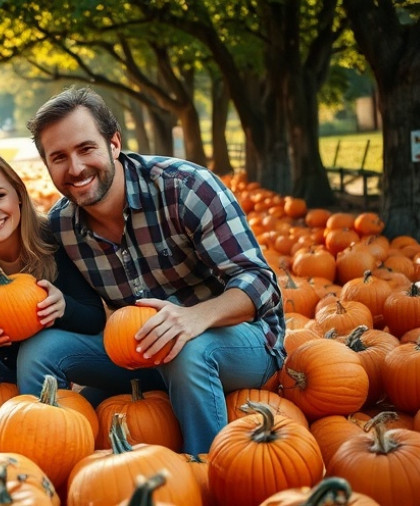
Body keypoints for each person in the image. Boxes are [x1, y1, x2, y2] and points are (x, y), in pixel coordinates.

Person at [26, 86, 286, 454]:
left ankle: (206, 469)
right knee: (42, 349)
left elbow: (261, 284)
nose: (76, 167)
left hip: (238, 341)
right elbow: (76, 311)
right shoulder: (62, 227)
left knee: (185, 348)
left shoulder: (184, 189)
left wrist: (195, 318)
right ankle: (40, 472)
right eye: (59, 157)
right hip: (143, 352)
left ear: (114, 143)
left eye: (86, 148)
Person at [0, 151, 158, 402]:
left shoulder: (50, 236)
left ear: (18, 194)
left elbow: (93, 318)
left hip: (44, 363)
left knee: (40, 353)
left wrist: (63, 307)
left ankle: (41, 430)